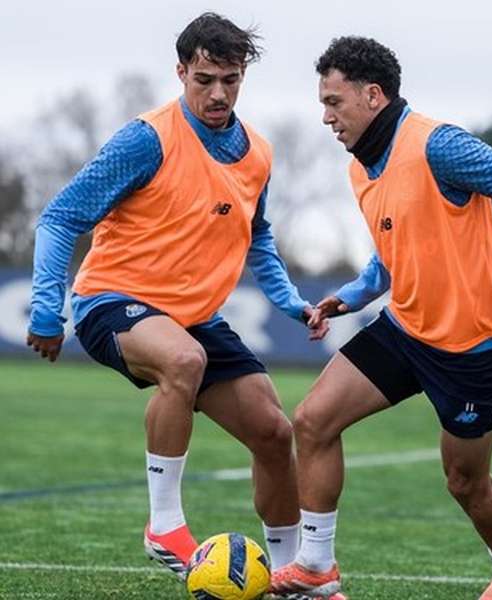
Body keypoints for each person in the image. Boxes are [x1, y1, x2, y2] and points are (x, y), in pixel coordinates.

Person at [26, 12, 331, 586]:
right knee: (183, 360)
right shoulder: (146, 138)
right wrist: (47, 308)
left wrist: (290, 301)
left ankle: (294, 575)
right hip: (112, 301)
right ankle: (164, 525)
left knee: (274, 431)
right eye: (204, 79)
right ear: (181, 72)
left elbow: (257, 235)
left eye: (231, 80)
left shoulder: (257, 153)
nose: (218, 93)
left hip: (192, 317)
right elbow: (61, 216)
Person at [268, 36, 492, 600]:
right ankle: (317, 568)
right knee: (314, 420)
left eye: (334, 102)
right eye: (322, 103)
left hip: (472, 349)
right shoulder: (361, 169)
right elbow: (392, 249)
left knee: (465, 483)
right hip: (405, 330)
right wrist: (350, 296)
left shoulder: (437, 145)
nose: (325, 117)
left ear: (373, 96)